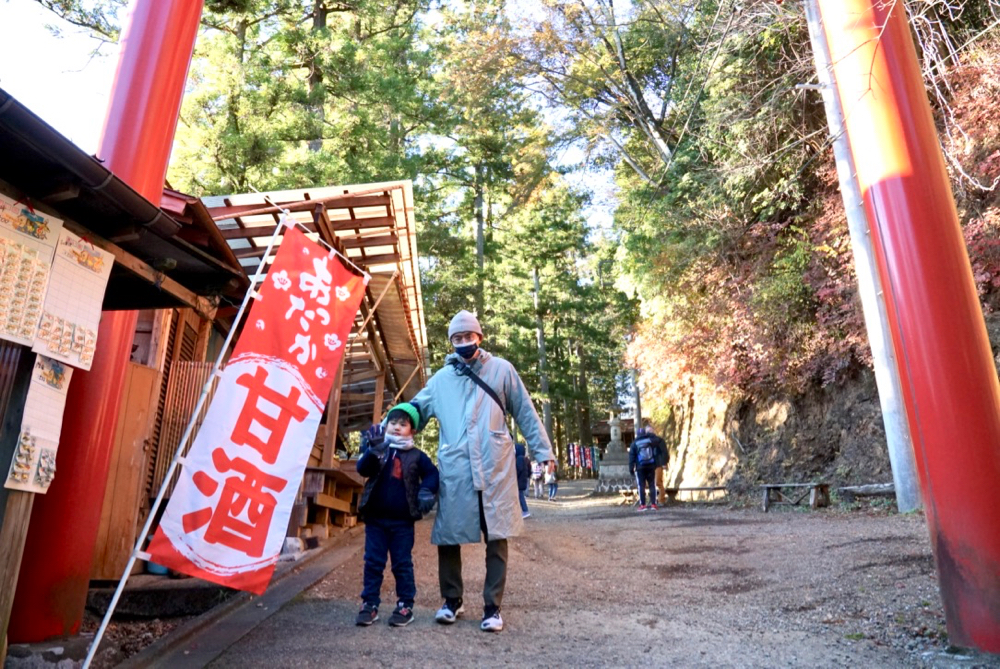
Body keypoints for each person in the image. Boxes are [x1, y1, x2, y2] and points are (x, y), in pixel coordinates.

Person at [410, 309, 554, 633]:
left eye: (468, 337)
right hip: (456, 470)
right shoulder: (441, 381)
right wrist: (394, 425)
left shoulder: (502, 370)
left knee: (497, 536)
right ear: (451, 342)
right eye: (457, 339)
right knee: (448, 537)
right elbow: (415, 411)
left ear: (480, 337)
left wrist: (544, 452)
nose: (463, 342)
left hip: (495, 468)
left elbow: (526, 414)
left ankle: (492, 607)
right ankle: (452, 601)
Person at [355, 403, 439, 627]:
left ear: (413, 431)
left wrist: (426, 491)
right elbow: (363, 469)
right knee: (373, 562)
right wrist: (372, 451)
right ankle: (369, 604)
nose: (396, 427)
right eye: (392, 422)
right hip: (375, 519)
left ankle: (405, 605)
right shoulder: (379, 448)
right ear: (386, 425)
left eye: (403, 424)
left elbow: (432, 474)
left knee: (402, 563)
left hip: (403, 522)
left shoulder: (417, 456)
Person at [629, 425, 667, 511]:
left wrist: (631, 469)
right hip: (651, 466)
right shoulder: (650, 441)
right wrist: (652, 435)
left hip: (640, 467)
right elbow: (660, 441)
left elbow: (631, 457)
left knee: (641, 486)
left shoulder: (634, 443)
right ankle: (654, 504)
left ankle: (643, 505)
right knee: (652, 485)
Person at [515, 443, 531, 518]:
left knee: (520, 495)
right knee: (519, 495)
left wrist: (514, 475)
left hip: (519, 481)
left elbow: (518, 469)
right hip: (521, 480)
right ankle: (522, 510)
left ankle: (525, 510)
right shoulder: (522, 458)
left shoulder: (520, 458)